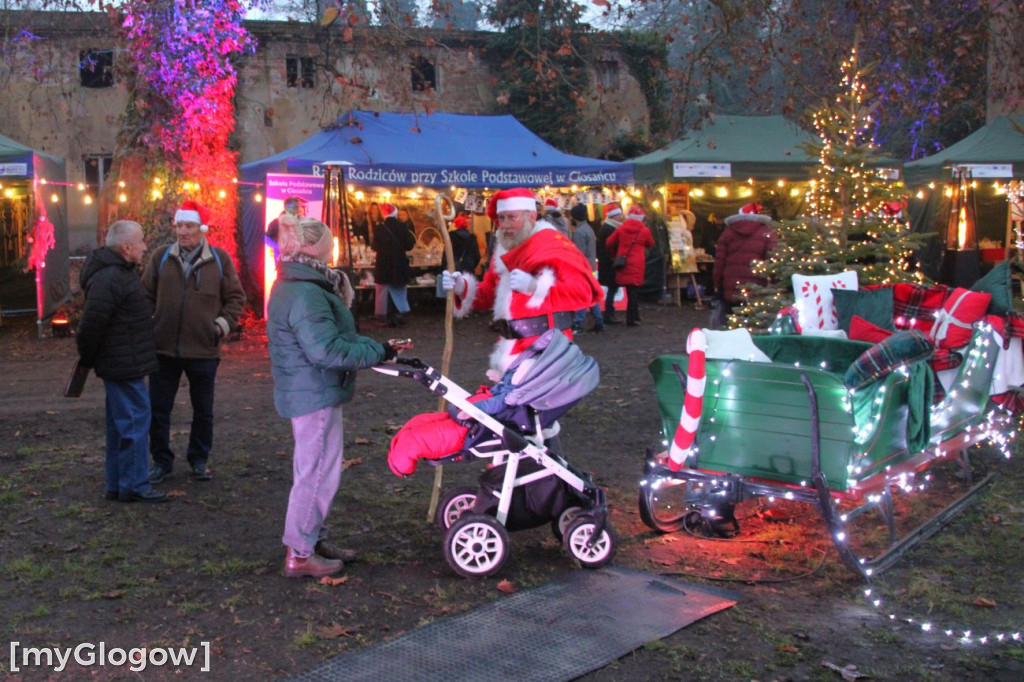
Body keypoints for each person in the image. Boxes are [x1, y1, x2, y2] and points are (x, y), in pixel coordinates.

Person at [267, 216, 401, 578]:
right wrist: (377, 354)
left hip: (311, 389)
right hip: (316, 391)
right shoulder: (306, 291)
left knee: (314, 470)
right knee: (317, 473)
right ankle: (300, 552)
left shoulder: (300, 284)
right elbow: (326, 350)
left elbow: (331, 340)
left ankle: (310, 537)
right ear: (315, 248)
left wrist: (378, 349)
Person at [441, 187, 602, 381]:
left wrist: (535, 287)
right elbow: (488, 294)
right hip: (509, 349)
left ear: (532, 217)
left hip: (545, 350)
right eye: (501, 218)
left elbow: (583, 291)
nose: (505, 225)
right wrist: (462, 287)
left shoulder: (553, 245)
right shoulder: (502, 252)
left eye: (512, 217)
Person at [143, 200, 246, 484]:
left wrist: (220, 326)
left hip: (203, 349)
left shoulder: (219, 259)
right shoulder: (161, 257)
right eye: (179, 225)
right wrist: (151, 326)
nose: (183, 231)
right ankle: (161, 462)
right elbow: (145, 296)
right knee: (158, 409)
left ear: (201, 228)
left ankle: (198, 459)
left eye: (189, 225)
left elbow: (236, 299)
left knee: (203, 410)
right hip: (164, 349)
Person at [76, 220, 167, 503]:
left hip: (122, 362)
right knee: (134, 422)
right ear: (126, 247)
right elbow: (90, 326)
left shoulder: (114, 274)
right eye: (140, 241)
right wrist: (89, 358)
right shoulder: (112, 278)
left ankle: (118, 483)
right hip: (123, 365)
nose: (144, 246)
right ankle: (134, 484)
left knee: (120, 425)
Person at [711, 202, 776, 329]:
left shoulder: (728, 233)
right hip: (757, 288)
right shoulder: (767, 232)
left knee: (731, 325)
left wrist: (719, 285)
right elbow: (772, 261)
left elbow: (719, 264)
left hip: (731, 288)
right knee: (756, 325)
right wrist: (773, 284)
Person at [606, 204, 654, 327]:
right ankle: (631, 318)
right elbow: (651, 243)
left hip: (623, 262)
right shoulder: (644, 231)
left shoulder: (621, 229)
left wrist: (614, 255)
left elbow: (609, 243)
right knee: (634, 292)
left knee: (629, 291)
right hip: (637, 264)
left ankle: (634, 316)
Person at [372, 202, 416, 327]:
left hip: (383, 264)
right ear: (395, 213)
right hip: (399, 263)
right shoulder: (402, 227)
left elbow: (374, 246)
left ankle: (384, 315)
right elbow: (409, 245)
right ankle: (400, 312)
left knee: (383, 291)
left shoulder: (379, 228)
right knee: (399, 289)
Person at [569, 203, 604, 333]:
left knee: (581, 294)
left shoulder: (579, 232)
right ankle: (599, 320)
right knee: (590, 294)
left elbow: (579, 252)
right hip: (591, 266)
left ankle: (579, 321)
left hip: (582, 267)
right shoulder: (588, 229)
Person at [596, 202, 625, 324]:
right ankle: (609, 313)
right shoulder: (611, 229)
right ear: (615, 216)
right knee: (612, 289)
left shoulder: (607, 227)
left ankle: (609, 312)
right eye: (620, 214)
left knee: (612, 289)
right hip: (610, 264)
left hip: (607, 263)